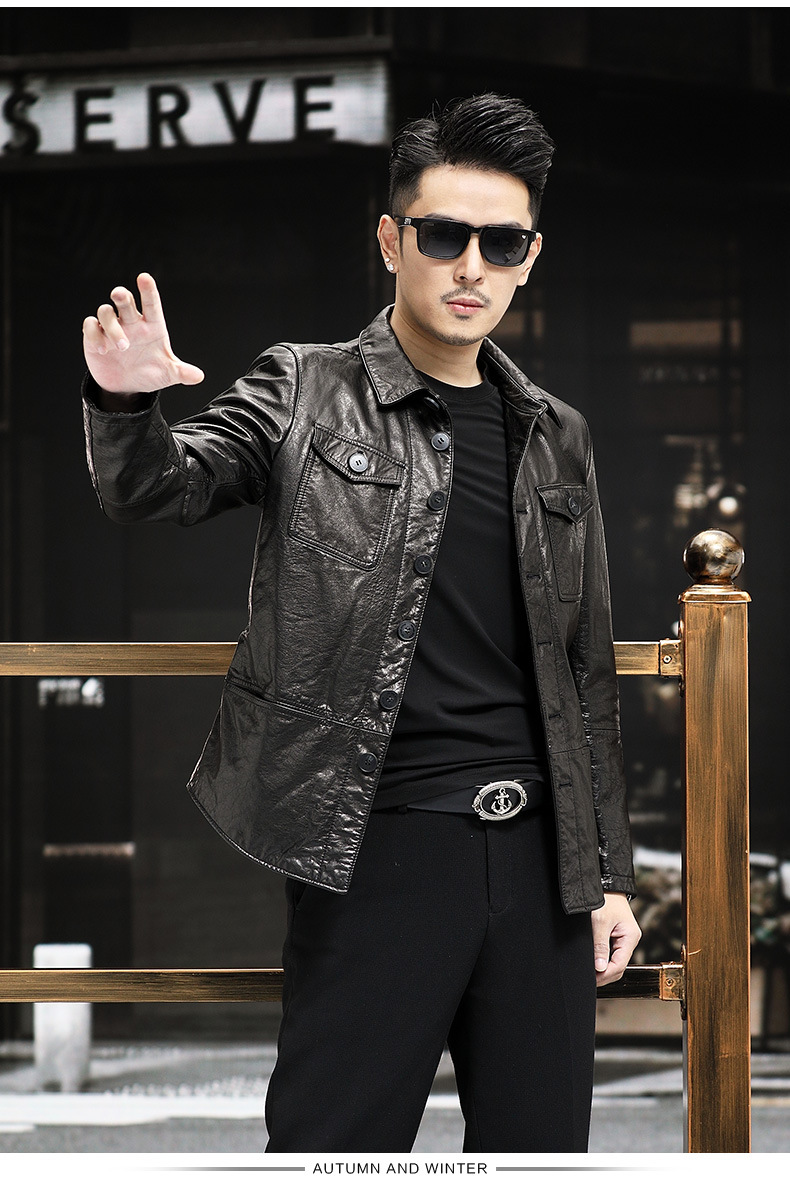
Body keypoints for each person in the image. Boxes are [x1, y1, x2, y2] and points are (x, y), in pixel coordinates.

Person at [81, 93, 641, 1153]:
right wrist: (124, 406)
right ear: (391, 241)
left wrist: (606, 872)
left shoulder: (554, 433)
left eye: (501, 243)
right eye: (443, 236)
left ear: (529, 258)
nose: (470, 266)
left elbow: (585, 669)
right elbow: (161, 487)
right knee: (334, 1147)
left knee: (540, 1154)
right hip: (378, 845)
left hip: (541, 861)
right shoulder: (305, 386)